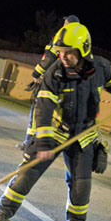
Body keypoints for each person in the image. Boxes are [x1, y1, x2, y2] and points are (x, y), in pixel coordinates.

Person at [0, 22, 111, 221]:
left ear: (83, 49)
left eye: (69, 52)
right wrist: (45, 143)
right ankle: (4, 211)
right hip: (55, 131)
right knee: (27, 174)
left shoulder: (101, 68)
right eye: (61, 52)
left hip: (84, 135)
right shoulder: (55, 73)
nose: (63, 57)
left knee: (81, 184)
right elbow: (44, 108)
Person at [19, 15, 80, 150]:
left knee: (37, 111)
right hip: (65, 84)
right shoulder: (79, 42)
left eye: (65, 22)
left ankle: (30, 143)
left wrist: (36, 73)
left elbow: (50, 57)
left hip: (50, 80)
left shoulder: (61, 37)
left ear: (67, 24)